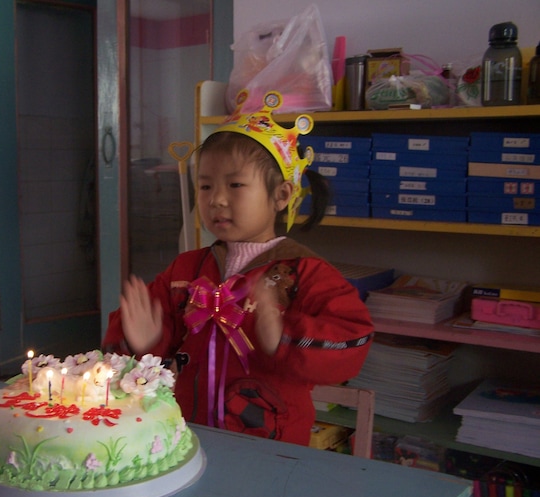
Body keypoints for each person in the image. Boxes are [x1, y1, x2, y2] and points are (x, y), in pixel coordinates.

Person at [102, 91, 373, 446]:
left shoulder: (305, 272)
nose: (216, 199)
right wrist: (146, 342)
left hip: (271, 446)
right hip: (184, 435)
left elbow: (354, 339)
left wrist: (283, 336)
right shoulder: (187, 268)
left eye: (235, 185)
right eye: (205, 186)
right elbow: (141, 344)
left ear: (281, 195)